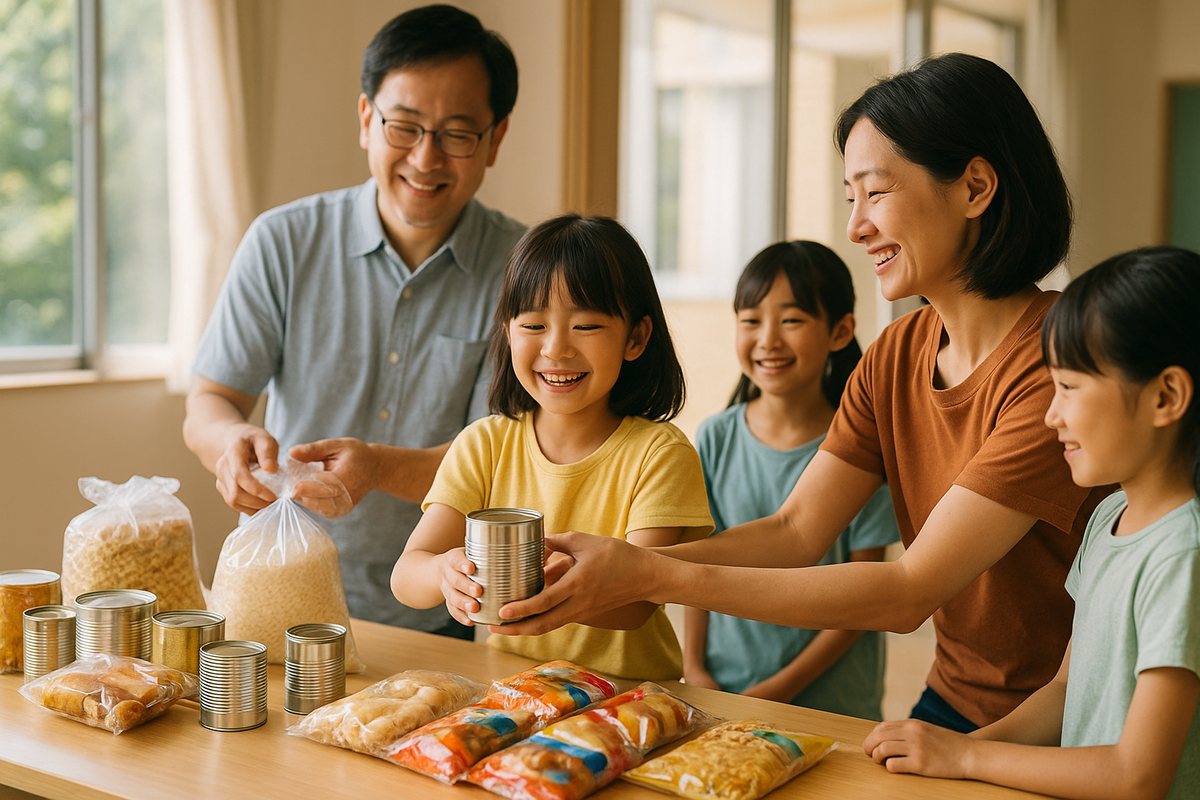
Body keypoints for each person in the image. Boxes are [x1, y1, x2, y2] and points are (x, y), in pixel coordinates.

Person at [491, 52, 1110, 730]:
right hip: (955, 697)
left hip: (1073, 719)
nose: (855, 227)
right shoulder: (896, 354)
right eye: (851, 199)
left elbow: (909, 592)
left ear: (975, 188)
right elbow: (795, 531)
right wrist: (630, 564)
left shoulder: (1058, 364)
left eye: (876, 193)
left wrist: (650, 575)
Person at [183, 5, 527, 638]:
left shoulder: (526, 271)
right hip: (273, 595)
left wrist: (378, 468)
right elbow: (209, 401)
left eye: (457, 134)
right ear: (367, 119)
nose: (425, 158)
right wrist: (228, 443)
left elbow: (505, 461)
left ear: (496, 138)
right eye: (405, 126)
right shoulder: (283, 242)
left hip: (438, 611)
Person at [863, 246, 1200, 799]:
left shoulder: (1182, 554)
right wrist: (953, 754)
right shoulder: (1109, 517)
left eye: (1069, 388)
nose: (1051, 414)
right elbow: (1065, 689)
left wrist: (967, 754)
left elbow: (1138, 775)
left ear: (1166, 396)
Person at [390, 214, 713, 680]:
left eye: (586, 325)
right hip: (514, 695)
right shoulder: (484, 444)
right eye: (534, 324)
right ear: (508, 332)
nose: (556, 349)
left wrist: (535, 584)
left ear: (636, 338)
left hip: (631, 700)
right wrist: (444, 573)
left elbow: (636, 603)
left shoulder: (660, 454)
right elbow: (406, 575)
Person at [683, 240, 899, 720]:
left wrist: (779, 689)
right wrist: (694, 666)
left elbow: (864, 603)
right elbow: (700, 563)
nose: (768, 340)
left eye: (792, 320)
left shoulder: (861, 446)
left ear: (841, 331)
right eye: (751, 320)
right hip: (724, 689)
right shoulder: (716, 436)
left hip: (831, 706)